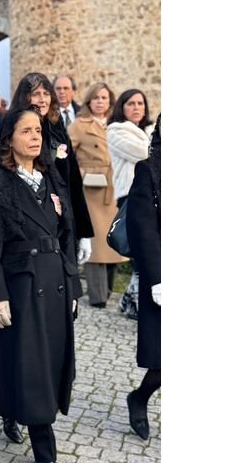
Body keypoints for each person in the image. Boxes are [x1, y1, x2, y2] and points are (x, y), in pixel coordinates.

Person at [0, 107, 78, 463]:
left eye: (38, 131)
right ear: (9, 139)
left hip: (55, 284)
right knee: (30, 364)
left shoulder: (50, 176)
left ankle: (12, 409)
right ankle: (45, 452)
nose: (35, 137)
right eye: (26, 131)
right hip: (20, 285)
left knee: (47, 361)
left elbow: (66, 233)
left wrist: (73, 286)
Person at [9, 73, 94, 304]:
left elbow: (73, 181)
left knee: (66, 297)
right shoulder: (14, 130)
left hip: (63, 223)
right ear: (25, 97)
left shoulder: (57, 129)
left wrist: (84, 232)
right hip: (31, 227)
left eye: (46, 93)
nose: (43, 99)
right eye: (36, 93)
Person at [69, 82, 126, 307]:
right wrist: (82, 171)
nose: (100, 101)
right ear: (89, 101)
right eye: (96, 98)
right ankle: (97, 295)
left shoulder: (116, 124)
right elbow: (65, 155)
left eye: (104, 98)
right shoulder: (79, 125)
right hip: (90, 190)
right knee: (93, 240)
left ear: (110, 101)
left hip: (114, 186)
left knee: (112, 238)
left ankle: (109, 291)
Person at [125, 116, 160, 440]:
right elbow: (143, 230)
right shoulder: (148, 171)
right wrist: (157, 278)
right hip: (162, 276)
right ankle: (140, 397)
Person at [107, 89, 155, 320]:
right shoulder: (116, 131)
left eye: (140, 103)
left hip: (154, 196)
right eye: (131, 103)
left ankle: (129, 297)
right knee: (138, 250)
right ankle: (133, 299)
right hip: (130, 196)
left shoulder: (151, 129)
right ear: (122, 107)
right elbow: (144, 153)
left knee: (150, 251)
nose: (137, 107)